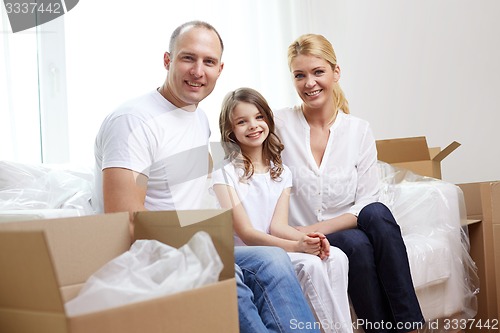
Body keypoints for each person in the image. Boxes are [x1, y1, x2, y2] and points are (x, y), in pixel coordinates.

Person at [92, 21, 319, 333]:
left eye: (208, 61)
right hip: (156, 251)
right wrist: (200, 251)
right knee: (226, 274)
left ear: (220, 68)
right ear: (167, 60)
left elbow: (196, 197)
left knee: (274, 259)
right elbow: (124, 220)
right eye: (188, 58)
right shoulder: (134, 121)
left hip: (195, 242)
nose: (198, 71)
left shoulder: (198, 119)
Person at [274, 33, 425, 333]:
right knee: (357, 245)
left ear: (335, 72)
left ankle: (410, 325)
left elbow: (366, 202)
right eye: (299, 75)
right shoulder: (278, 124)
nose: (309, 83)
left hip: (345, 225)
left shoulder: (358, 131)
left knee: (378, 212)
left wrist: (314, 229)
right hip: (312, 236)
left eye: (318, 72)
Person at [212, 87, 353, 333]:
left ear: (268, 118)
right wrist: (297, 247)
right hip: (251, 253)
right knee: (309, 266)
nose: (253, 126)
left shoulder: (281, 172)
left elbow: (278, 226)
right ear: (231, 131)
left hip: (275, 247)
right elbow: (246, 233)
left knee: (336, 257)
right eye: (242, 122)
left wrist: (310, 240)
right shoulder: (224, 173)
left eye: (259, 117)